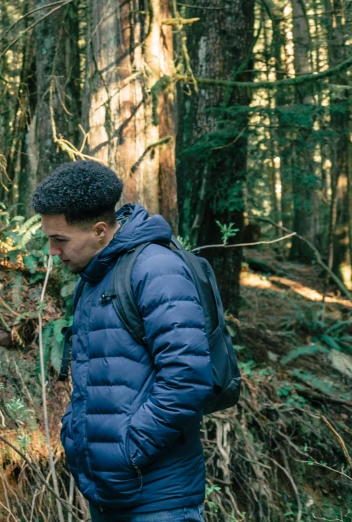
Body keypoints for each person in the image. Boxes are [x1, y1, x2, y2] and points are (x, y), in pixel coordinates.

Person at [32, 161, 214, 521]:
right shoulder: (95, 275)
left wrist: (129, 450)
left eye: (60, 239)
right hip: (109, 492)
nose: (52, 250)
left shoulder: (156, 269)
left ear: (100, 230)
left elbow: (188, 376)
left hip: (159, 499)